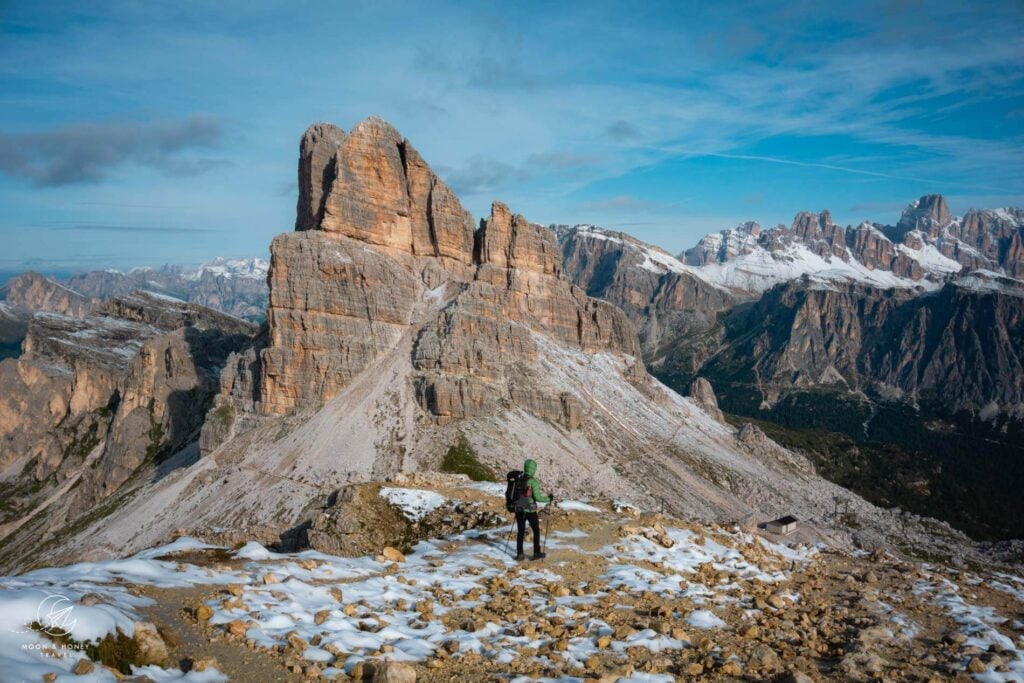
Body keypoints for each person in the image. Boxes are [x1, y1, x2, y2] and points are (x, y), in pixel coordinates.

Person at [515, 458, 552, 560]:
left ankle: (520, 554)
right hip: (530, 510)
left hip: (519, 509)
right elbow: (538, 497)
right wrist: (549, 499)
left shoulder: (519, 478)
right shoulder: (533, 481)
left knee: (520, 531)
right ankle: (536, 552)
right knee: (536, 530)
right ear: (533, 469)